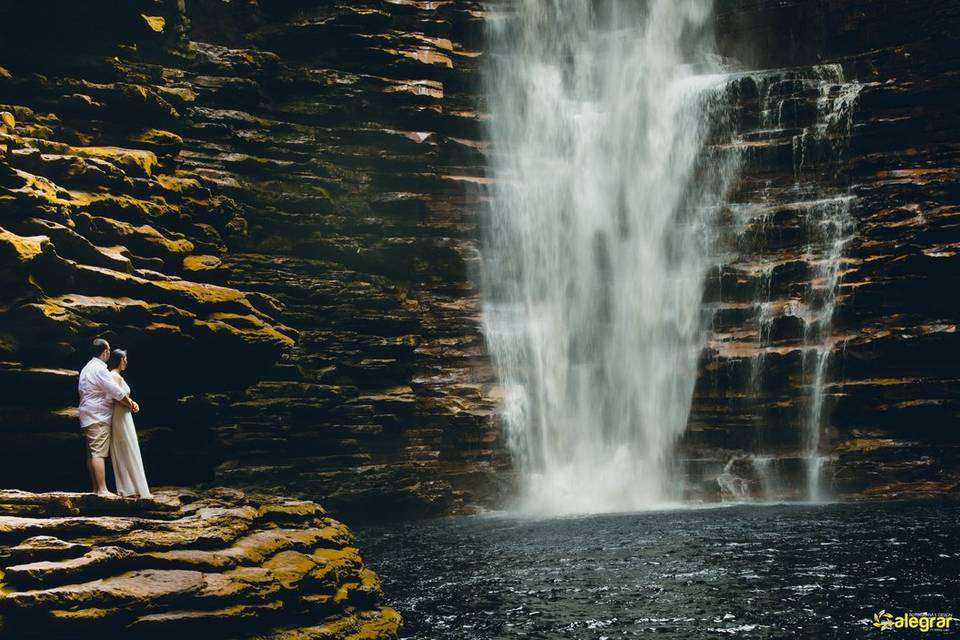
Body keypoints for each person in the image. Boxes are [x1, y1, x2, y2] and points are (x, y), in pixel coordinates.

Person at [77, 338, 139, 496]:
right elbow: (116, 391)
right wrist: (129, 403)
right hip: (98, 416)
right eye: (109, 350)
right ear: (105, 351)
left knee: (91, 453)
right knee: (98, 453)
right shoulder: (99, 369)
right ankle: (102, 490)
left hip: (86, 415)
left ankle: (95, 489)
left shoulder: (86, 368)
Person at [107, 348, 151, 498]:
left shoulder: (118, 376)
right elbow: (115, 396)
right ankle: (129, 488)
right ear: (120, 359)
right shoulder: (113, 375)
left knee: (129, 447)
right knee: (125, 448)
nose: (126, 361)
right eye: (125, 358)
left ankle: (134, 487)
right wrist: (129, 404)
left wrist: (132, 402)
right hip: (119, 416)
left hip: (124, 414)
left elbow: (123, 396)